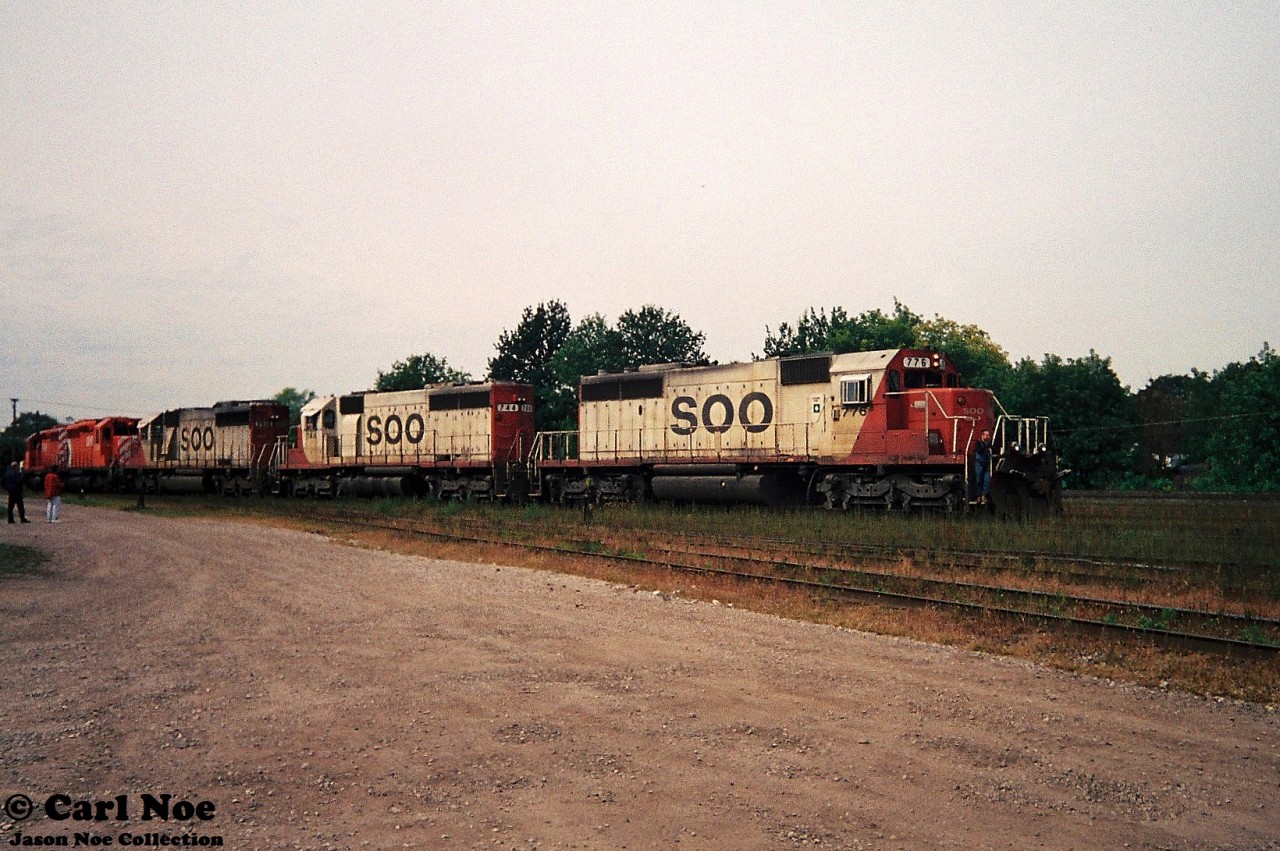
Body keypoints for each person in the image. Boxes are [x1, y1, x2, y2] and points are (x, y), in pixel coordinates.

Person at [973, 429, 992, 505]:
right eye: (987, 435)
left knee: (987, 480)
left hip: (986, 464)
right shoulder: (978, 442)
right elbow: (979, 450)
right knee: (979, 480)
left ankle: (984, 495)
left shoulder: (989, 443)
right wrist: (986, 445)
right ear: (982, 435)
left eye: (988, 435)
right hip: (979, 463)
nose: (988, 437)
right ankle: (978, 496)